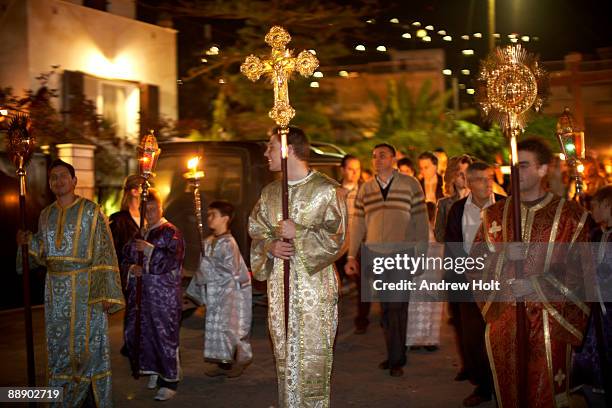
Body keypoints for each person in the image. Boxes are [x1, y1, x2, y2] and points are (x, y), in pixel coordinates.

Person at [468, 138, 592, 408]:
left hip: (550, 322)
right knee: (510, 394)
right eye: (513, 166)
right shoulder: (494, 216)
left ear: (543, 169)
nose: (516, 172)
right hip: (505, 321)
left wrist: (537, 286)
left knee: (544, 394)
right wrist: (502, 258)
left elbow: (582, 272)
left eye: (523, 166)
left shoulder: (571, 215)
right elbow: (475, 265)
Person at [248, 127, 346, 408]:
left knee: (312, 353)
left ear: (287, 149)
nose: (266, 153)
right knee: (284, 353)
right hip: (280, 285)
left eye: (270, 146)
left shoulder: (327, 190)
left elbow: (337, 238)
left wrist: (299, 232)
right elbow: (257, 230)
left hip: (315, 287)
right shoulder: (269, 193)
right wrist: (270, 246)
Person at [16, 159, 124, 407]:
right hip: (55, 290)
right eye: (53, 177)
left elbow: (104, 251)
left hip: (87, 289)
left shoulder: (91, 211)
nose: (58, 180)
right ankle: (61, 399)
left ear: (74, 181)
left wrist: (106, 292)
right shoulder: (46, 215)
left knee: (88, 347)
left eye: (63, 175)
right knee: (59, 346)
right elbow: (42, 252)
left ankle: (89, 398)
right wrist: (26, 243)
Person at [345, 143, 429, 377]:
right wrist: (352, 255)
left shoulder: (411, 185)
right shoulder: (366, 189)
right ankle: (396, 352)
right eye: (373, 156)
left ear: (393, 158)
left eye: (382, 155)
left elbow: (420, 223)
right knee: (386, 308)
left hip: (403, 254)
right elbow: (358, 224)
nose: (377, 159)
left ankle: (396, 359)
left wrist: (421, 255)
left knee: (396, 306)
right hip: (375, 256)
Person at [444, 162, 503, 407]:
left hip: (499, 282)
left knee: (499, 337)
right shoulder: (458, 209)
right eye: (480, 179)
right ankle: (483, 386)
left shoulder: (504, 204)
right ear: (468, 183)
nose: (487, 183)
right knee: (473, 337)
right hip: (468, 283)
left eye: (489, 178)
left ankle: (502, 386)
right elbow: (453, 245)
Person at [122, 188, 185, 401]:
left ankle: (170, 380)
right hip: (144, 296)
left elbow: (173, 259)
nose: (149, 213)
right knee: (145, 333)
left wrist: (150, 251)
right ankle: (154, 371)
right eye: (145, 209)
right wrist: (132, 269)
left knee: (164, 336)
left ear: (161, 207)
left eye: (153, 208)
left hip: (163, 296)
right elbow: (126, 255)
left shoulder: (170, 231)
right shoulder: (142, 232)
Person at [198, 200, 252, 378]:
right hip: (215, 294)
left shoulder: (229, 243)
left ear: (225, 219)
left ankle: (239, 361)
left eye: (213, 214)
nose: (209, 218)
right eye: (208, 214)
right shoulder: (207, 241)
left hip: (231, 294)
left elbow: (231, 271)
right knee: (217, 329)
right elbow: (203, 268)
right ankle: (223, 363)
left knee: (232, 328)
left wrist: (208, 264)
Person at [571, 185, 612, 406]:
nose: (591, 210)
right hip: (596, 313)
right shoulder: (597, 234)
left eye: (595, 205)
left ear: (608, 205)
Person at [406, 201, 443, 352]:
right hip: (423, 272)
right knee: (422, 305)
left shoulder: (433, 229)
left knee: (426, 306)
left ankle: (425, 339)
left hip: (429, 271)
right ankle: (420, 339)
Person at [109, 174, 143, 293]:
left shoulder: (149, 218)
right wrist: (131, 268)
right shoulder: (118, 220)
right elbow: (112, 254)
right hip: (128, 285)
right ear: (134, 191)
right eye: (146, 187)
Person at [434, 154, 473, 243]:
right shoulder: (443, 204)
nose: (465, 177)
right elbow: (438, 234)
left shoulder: (480, 201)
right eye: (460, 174)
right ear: (452, 176)